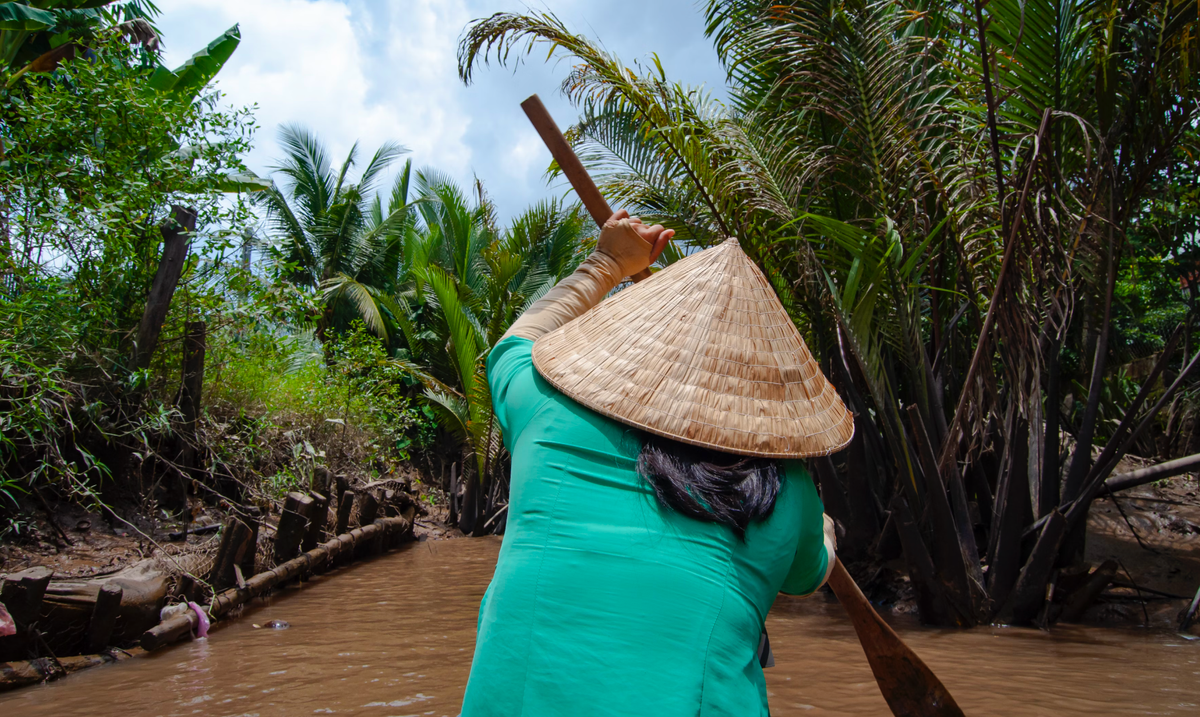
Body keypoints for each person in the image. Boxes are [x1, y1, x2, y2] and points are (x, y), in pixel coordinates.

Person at [459, 211, 854, 717]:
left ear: (639, 343)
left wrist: (607, 262)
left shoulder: (544, 409)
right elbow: (809, 575)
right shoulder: (786, 488)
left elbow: (515, 344)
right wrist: (821, 529)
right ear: (760, 388)